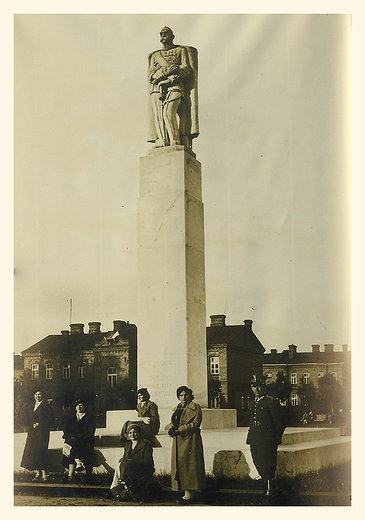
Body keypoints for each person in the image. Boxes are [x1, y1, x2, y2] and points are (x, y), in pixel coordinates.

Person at [148, 27, 199, 149]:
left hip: (174, 86)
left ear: (172, 36)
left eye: (166, 34)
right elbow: (151, 75)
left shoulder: (180, 51)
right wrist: (163, 74)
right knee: (159, 116)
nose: (163, 36)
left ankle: (175, 141)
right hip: (157, 87)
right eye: (161, 34)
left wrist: (170, 79)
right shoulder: (155, 56)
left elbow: (186, 70)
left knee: (168, 114)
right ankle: (163, 141)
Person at [246, 376, 286, 496]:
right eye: (254, 386)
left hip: (267, 438)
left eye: (259, 386)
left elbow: (280, 422)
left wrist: (275, 438)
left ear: (263, 387)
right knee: (257, 460)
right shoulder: (252, 403)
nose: (257, 389)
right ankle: (265, 484)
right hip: (254, 437)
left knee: (267, 463)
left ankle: (270, 488)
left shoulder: (270, 402)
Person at [168, 386, 206, 504]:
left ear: (190, 395)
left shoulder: (195, 408)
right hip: (178, 440)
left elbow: (195, 424)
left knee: (190, 465)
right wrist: (171, 429)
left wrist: (180, 430)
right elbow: (172, 422)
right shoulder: (177, 408)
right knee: (181, 465)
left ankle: (190, 492)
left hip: (190, 440)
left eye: (186, 395)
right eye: (181, 395)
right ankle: (185, 491)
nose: (183, 397)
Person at [110, 423, 155, 503]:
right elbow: (125, 458)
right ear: (127, 435)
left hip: (143, 468)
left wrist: (130, 461)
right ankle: (123, 486)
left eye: (135, 432)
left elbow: (146, 461)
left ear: (139, 433)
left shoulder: (145, 444)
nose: (132, 435)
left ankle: (120, 485)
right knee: (120, 463)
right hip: (130, 468)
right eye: (130, 433)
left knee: (124, 464)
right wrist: (124, 460)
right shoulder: (128, 444)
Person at [20, 389, 54, 482]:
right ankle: (38, 473)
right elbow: (28, 418)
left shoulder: (47, 406)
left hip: (42, 432)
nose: (37, 396)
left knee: (41, 451)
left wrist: (40, 424)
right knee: (33, 452)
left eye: (39, 394)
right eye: (36, 394)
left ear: (43, 395)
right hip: (33, 432)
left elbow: (51, 419)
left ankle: (45, 475)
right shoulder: (31, 406)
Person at [60, 400, 96, 481]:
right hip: (73, 441)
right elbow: (66, 430)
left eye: (81, 405)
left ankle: (70, 475)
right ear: (75, 407)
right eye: (77, 406)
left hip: (86, 442)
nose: (79, 407)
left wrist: (79, 437)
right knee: (71, 445)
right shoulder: (71, 418)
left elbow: (90, 431)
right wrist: (71, 436)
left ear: (85, 407)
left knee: (71, 446)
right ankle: (78, 462)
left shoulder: (90, 418)